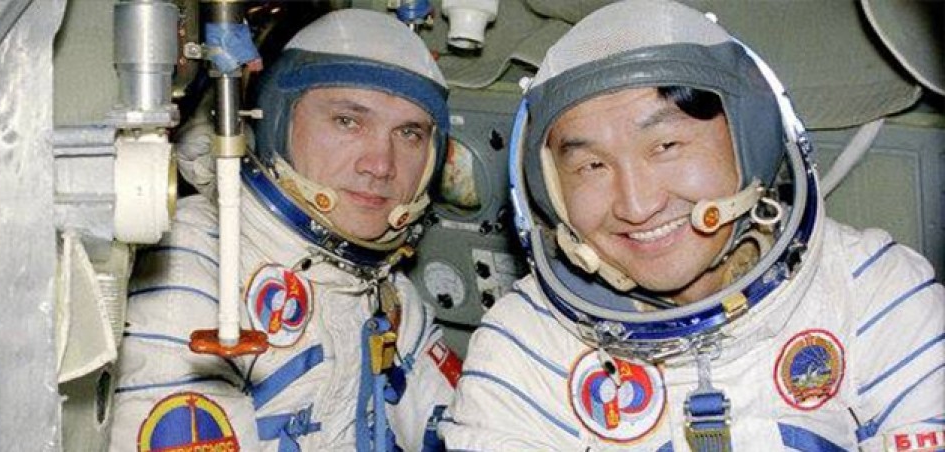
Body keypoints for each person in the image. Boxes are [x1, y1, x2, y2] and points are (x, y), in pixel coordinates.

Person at [441, 0, 945, 450]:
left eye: (666, 146)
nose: (637, 205)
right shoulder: (524, 351)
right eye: (591, 166)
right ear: (551, 194)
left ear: (751, 144)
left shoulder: (871, 294)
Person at [108, 9, 460, 451]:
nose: (381, 165)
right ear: (277, 119)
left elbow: (465, 427)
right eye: (348, 121)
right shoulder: (195, 267)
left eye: (409, 134)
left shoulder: (389, 294)